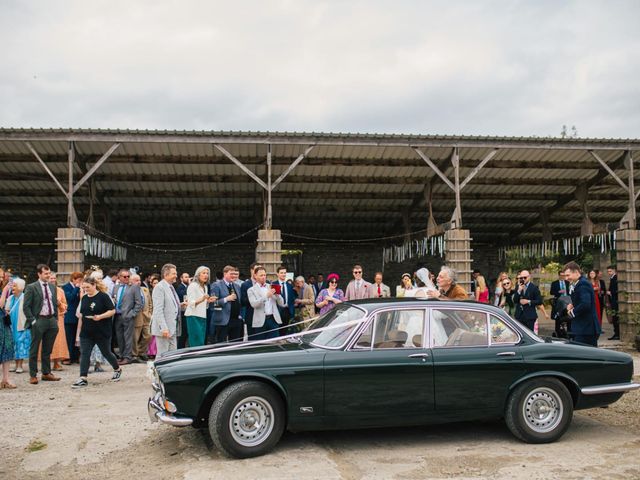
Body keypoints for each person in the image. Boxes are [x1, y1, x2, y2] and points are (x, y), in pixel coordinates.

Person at [72, 276, 122, 388]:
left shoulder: (103, 296)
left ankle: (117, 369)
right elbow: (81, 313)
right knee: (85, 353)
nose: (86, 290)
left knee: (106, 352)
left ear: (94, 285)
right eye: (84, 288)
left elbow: (112, 310)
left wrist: (100, 316)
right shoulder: (84, 298)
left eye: (88, 287)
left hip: (102, 330)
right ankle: (83, 377)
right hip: (87, 331)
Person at [22, 264, 60, 385]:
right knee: (34, 349)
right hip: (39, 320)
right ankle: (33, 375)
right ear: (39, 274)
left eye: (49, 273)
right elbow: (26, 306)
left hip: (51, 320)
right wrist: (33, 321)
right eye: (46, 274)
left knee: (47, 349)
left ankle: (46, 373)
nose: (48, 276)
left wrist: (55, 319)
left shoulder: (52, 287)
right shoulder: (31, 287)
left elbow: (54, 303)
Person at [563, 261, 601, 347]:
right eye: (565, 276)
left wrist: (572, 312)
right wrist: (573, 304)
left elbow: (585, 304)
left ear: (576, 272)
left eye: (568, 275)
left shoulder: (583, 284)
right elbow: (581, 300)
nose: (566, 278)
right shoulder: (578, 283)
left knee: (587, 356)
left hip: (586, 329)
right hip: (583, 328)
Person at [150, 263, 183, 356]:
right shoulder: (159, 287)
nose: (176, 276)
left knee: (172, 355)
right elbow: (158, 310)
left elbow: (169, 305)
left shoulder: (171, 286)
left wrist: (180, 305)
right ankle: (156, 370)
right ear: (166, 275)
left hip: (172, 327)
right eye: (174, 273)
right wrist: (164, 328)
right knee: (162, 355)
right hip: (164, 329)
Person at [112, 269, 142, 365]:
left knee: (128, 337)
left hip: (128, 316)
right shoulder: (115, 287)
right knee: (119, 337)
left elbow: (139, 303)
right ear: (119, 277)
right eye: (124, 276)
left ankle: (128, 357)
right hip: (117, 315)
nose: (127, 278)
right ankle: (121, 355)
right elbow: (113, 299)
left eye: (128, 276)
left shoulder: (134, 287)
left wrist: (132, 313)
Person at [248, 266, 285, 340]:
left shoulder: (271, 286)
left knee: (274, 343)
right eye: (261, 275)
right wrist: (266, 296)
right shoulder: (251, 290)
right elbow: (254, 304)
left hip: (273, 319)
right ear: (255, 276)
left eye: (265, 275)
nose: (263, 277)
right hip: (260, 321)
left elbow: (281, 303)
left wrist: (277, 294)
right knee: (261, 345)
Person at [211, 265, 243, 344]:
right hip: (223, 321)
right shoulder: (216, 285)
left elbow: (240, 303)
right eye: (231, 274)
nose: (233, 276)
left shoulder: (237, 286)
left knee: (236, 345)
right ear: (225, 274)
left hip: (236, 320)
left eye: (234, 274)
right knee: (221, 345)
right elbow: (213, 304)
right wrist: (226, 299)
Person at [6, 278, 30, 374]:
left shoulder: (25, 297)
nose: (13, 287)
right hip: (11, 324)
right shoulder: (10, 298)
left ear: (20, 288)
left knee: (20, 344)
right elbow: (7, 309)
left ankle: (20, 365)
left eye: (15, 286)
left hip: (21, 324)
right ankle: (15, 365)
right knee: (13, 344)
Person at [185, 266, 213, 347]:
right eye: (203, 273)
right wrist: (202, 299)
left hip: (202, 316)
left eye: (207, 273)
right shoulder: (193, 286)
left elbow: (204, 304)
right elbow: (190, 303)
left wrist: (208, 300)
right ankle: (194, 358)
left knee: (201, 340)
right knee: (195, 340)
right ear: (198, 275)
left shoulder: (205, 287)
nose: (206, 275)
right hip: (193, 316)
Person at [48, 272, 69, 371]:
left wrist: (60, 303)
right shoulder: (43, 290)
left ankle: (56, 363)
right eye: (50, 278)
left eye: (53, 278)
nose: (52, 280)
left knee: (57, 341)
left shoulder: (60, 291)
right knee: (46, 340)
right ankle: (46, 363)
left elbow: (65, 306)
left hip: (58, 318)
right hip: (46, 318)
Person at [62, 272, 83, 364]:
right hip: (69, 315)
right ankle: (68, 357)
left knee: (76, 337)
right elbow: (70, 298)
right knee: (69, 338)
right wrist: (77, 288)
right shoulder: (65, 287)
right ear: (73, 279)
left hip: (78, 315)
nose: (80, 282)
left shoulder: (81, 288)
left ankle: (76, 357)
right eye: (79, 280)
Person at [130, 274, 152, 361]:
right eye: (136, 280)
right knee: (135, 338)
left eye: (139, 280)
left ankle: (141, 352)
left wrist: (150, 313)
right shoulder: (130, 291)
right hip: (136, 317)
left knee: (148, 336)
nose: (138, 282)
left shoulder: (145, 290)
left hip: (146, 317)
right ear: (131, 282)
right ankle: (135, 355)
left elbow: (150, 303)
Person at [240, 263, 260, 341]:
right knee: (252, 339)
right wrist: (253, 299)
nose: (258, 272)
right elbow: (243, 301)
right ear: (251, 271)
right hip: (251, 315)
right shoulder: (245, 284)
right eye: (256, 270)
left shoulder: (265, 283)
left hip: (262, 316)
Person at [1, 288, 16, 388]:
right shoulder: (4, 291)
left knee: (8, 348)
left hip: (3, 323)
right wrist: (5, 290)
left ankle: (5, 379)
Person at [274, 266, 296, 332]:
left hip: (287, 311)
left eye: (284, 273)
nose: (283, 274)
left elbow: (292, 299)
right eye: (281, 273)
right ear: (277, 274)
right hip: (277, 311)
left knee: (285, 331)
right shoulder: (274, 284)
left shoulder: (290, 286)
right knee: (277, 331)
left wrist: (292, 311)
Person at [550, 271, 571, 337]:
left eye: (564, 275)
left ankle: (569, 333)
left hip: (567, 301)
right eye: (561, 275)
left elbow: (570, 291)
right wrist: (559, 291)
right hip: (558, 302)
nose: (562, 277)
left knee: (569, 317)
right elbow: (551, 292)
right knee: (558, 317)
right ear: (559, 275)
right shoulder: (554, 283)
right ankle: (558, 332)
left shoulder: (568, 283)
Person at [175, 272, 190, 349]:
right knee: (183, 333)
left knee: (186, 333)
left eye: (188, 277)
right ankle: (180, 348)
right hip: (182, 312)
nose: (187, 278)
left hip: (187, 312)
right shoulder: (180, 287)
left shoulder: (187, 286)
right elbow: (182, 294)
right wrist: (189, 286)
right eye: (185, 277)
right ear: (181, 279)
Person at [606, 265, 619, 340]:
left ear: (614, 270)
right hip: (613, 300)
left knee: (615, 318)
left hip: (615, 300)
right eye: (608, 271)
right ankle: (616, 333)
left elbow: (616, 289)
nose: (609, 273)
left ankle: (617, 334)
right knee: (614, 318)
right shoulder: (612, 278)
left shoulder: (615, 278)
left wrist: (610, 292)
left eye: (610, 271)